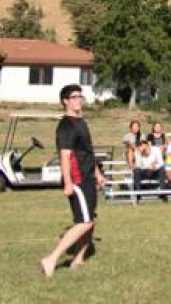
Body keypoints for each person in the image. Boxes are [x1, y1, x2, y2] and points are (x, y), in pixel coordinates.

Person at [40, 84, 106, 277]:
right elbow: (65, 155)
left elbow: (87, 152)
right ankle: (51, 259)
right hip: (76, 180)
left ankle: (77, 260)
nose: (79, 100)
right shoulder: (66, 125)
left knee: (90, 221)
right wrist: (68, 183)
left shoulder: (81, 122)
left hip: (88, 177)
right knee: (84, 222)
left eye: (80, 96)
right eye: (74, 97)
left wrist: (98, 174)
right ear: (65, 101)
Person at [132, 138, 167, 202]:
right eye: (139, 145)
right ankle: (138, 195)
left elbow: (161, 163)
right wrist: (140, 154)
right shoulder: (138, 152)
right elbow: (138, 165)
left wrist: (154, 166)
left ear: (147, 145)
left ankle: (163, 193)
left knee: (162, 169)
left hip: (155, 171)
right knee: (136, 171)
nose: (140, 146)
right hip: (144, 171)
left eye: (142, 145)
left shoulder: (156, 149)